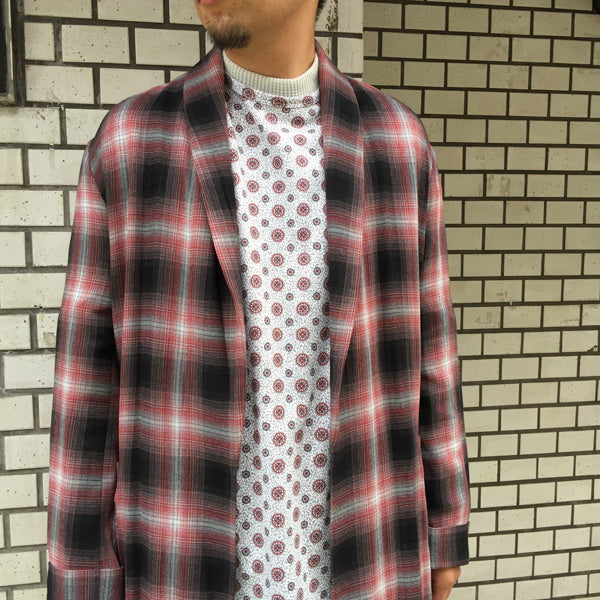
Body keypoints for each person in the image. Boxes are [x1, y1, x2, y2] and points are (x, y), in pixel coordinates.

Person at [46, 0, 470, 599]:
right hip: (183, 557)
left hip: (363, 550)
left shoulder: (398, 145)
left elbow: (433, 354)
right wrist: (79, 573)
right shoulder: (131, 144)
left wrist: (446, 525)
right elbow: (86, 387)